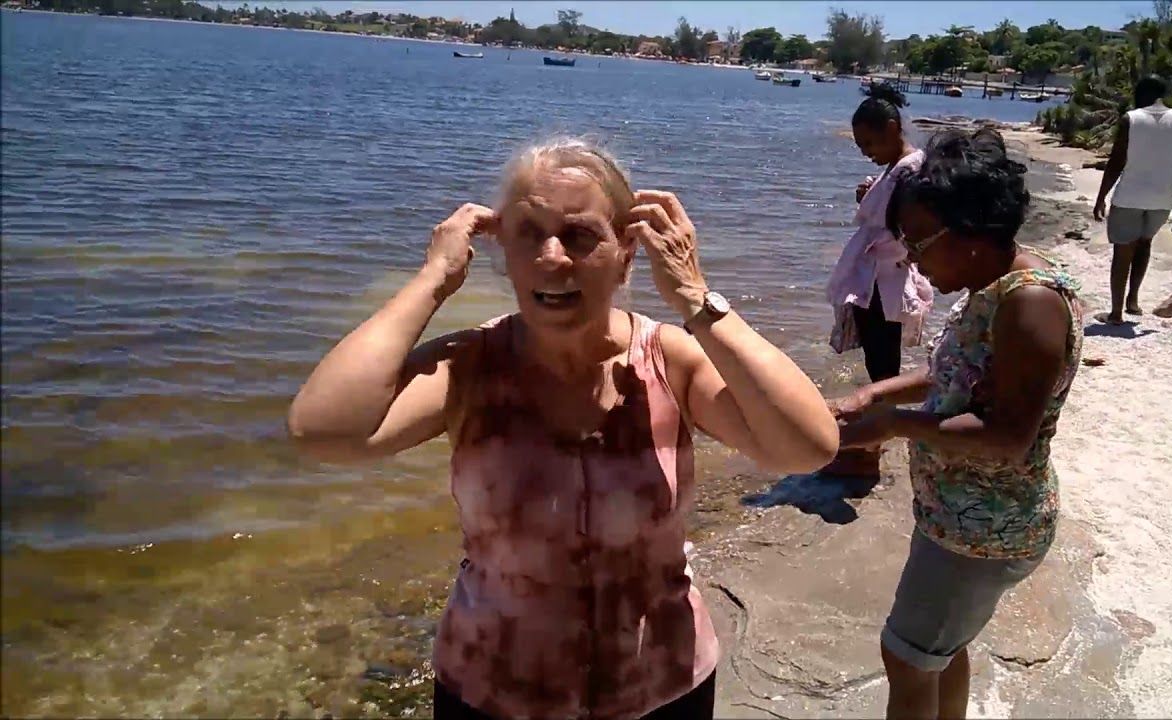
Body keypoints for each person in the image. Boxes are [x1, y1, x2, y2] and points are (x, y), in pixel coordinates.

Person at [286, 138, 839, 720]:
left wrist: (697, 301)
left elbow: (807, 447)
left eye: (580, 236)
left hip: (661, 692)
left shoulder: (670, 361)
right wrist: (432, 280)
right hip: (493, 693)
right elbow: (323, 431)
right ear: (504, 252)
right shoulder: (472, 367)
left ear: (627, 253)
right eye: (528, 234)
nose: (552, 258)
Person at [831, 128, 1084, 720]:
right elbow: (955, 374)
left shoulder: (1030, 303)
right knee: (940, 649)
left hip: (983, 528)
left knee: (908, 657)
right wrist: (875, 392)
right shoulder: (996, 285)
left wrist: (895, 426)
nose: (911, 258)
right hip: (961, 516)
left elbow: (1007, 437)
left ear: (970, 232)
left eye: (919, 241)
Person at [823, 82, 934, 477]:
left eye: (869, 143)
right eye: (860, 146)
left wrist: (872, 202)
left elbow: (899, 226)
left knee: (883, 368)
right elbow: (889, 212)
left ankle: (871, 448)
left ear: (892, 129)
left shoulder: (909, 169)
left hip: (884, 285)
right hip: (880, 283)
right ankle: (874, 441)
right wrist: (871, 193)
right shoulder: (899, 169)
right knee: (881, 365)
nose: (866, 152)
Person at [1092, 75, 1172, 325]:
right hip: (1163, 198)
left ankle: (1116, 313)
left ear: (1141, 93)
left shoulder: (1131, 119)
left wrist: (1101, 197)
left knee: (1123, 251)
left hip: (1130, 195)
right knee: (1145, 243)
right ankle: (1133, 301)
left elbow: (1116, 161)